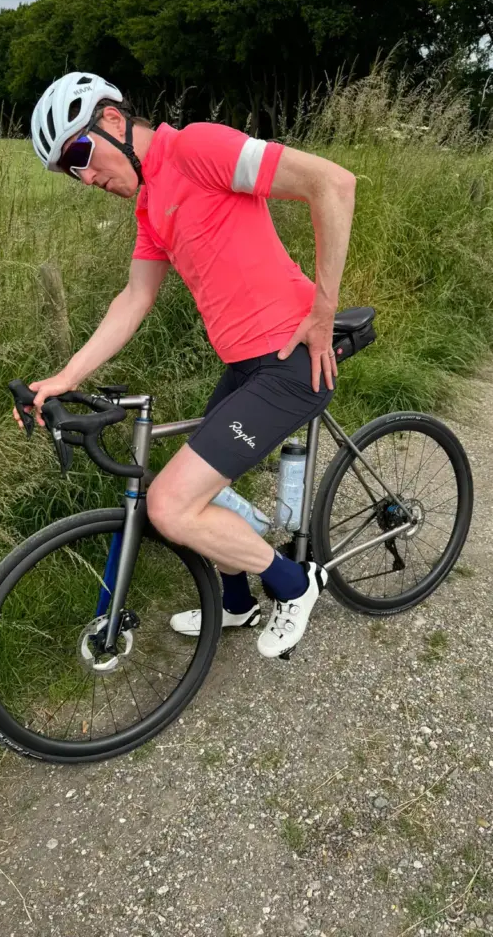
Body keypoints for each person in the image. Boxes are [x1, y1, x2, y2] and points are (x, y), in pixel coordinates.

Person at [21, 71, 356, 658]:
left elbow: (331, 183)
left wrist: (323, 311)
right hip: (246, 365)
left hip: (291, 361)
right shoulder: (150, 207)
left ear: (114, 121)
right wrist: (66, 377)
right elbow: (133, 299)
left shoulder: (196, 148)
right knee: (202, 491)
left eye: (79, 153)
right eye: (69, 170)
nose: (85, 175)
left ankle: (293, 585)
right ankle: (236, 602)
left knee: (171, 504)